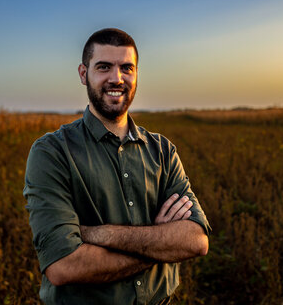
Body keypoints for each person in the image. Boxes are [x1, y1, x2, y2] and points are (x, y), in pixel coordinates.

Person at [23, 28, 211, 304]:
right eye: (104, 67)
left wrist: (98, 234)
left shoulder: (163, 151)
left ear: (136, 74)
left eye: (127, 68)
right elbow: (64, 266)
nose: (117, 78)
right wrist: (160, 242)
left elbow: (195, 240)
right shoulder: (53, 152)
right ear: (83, 74)